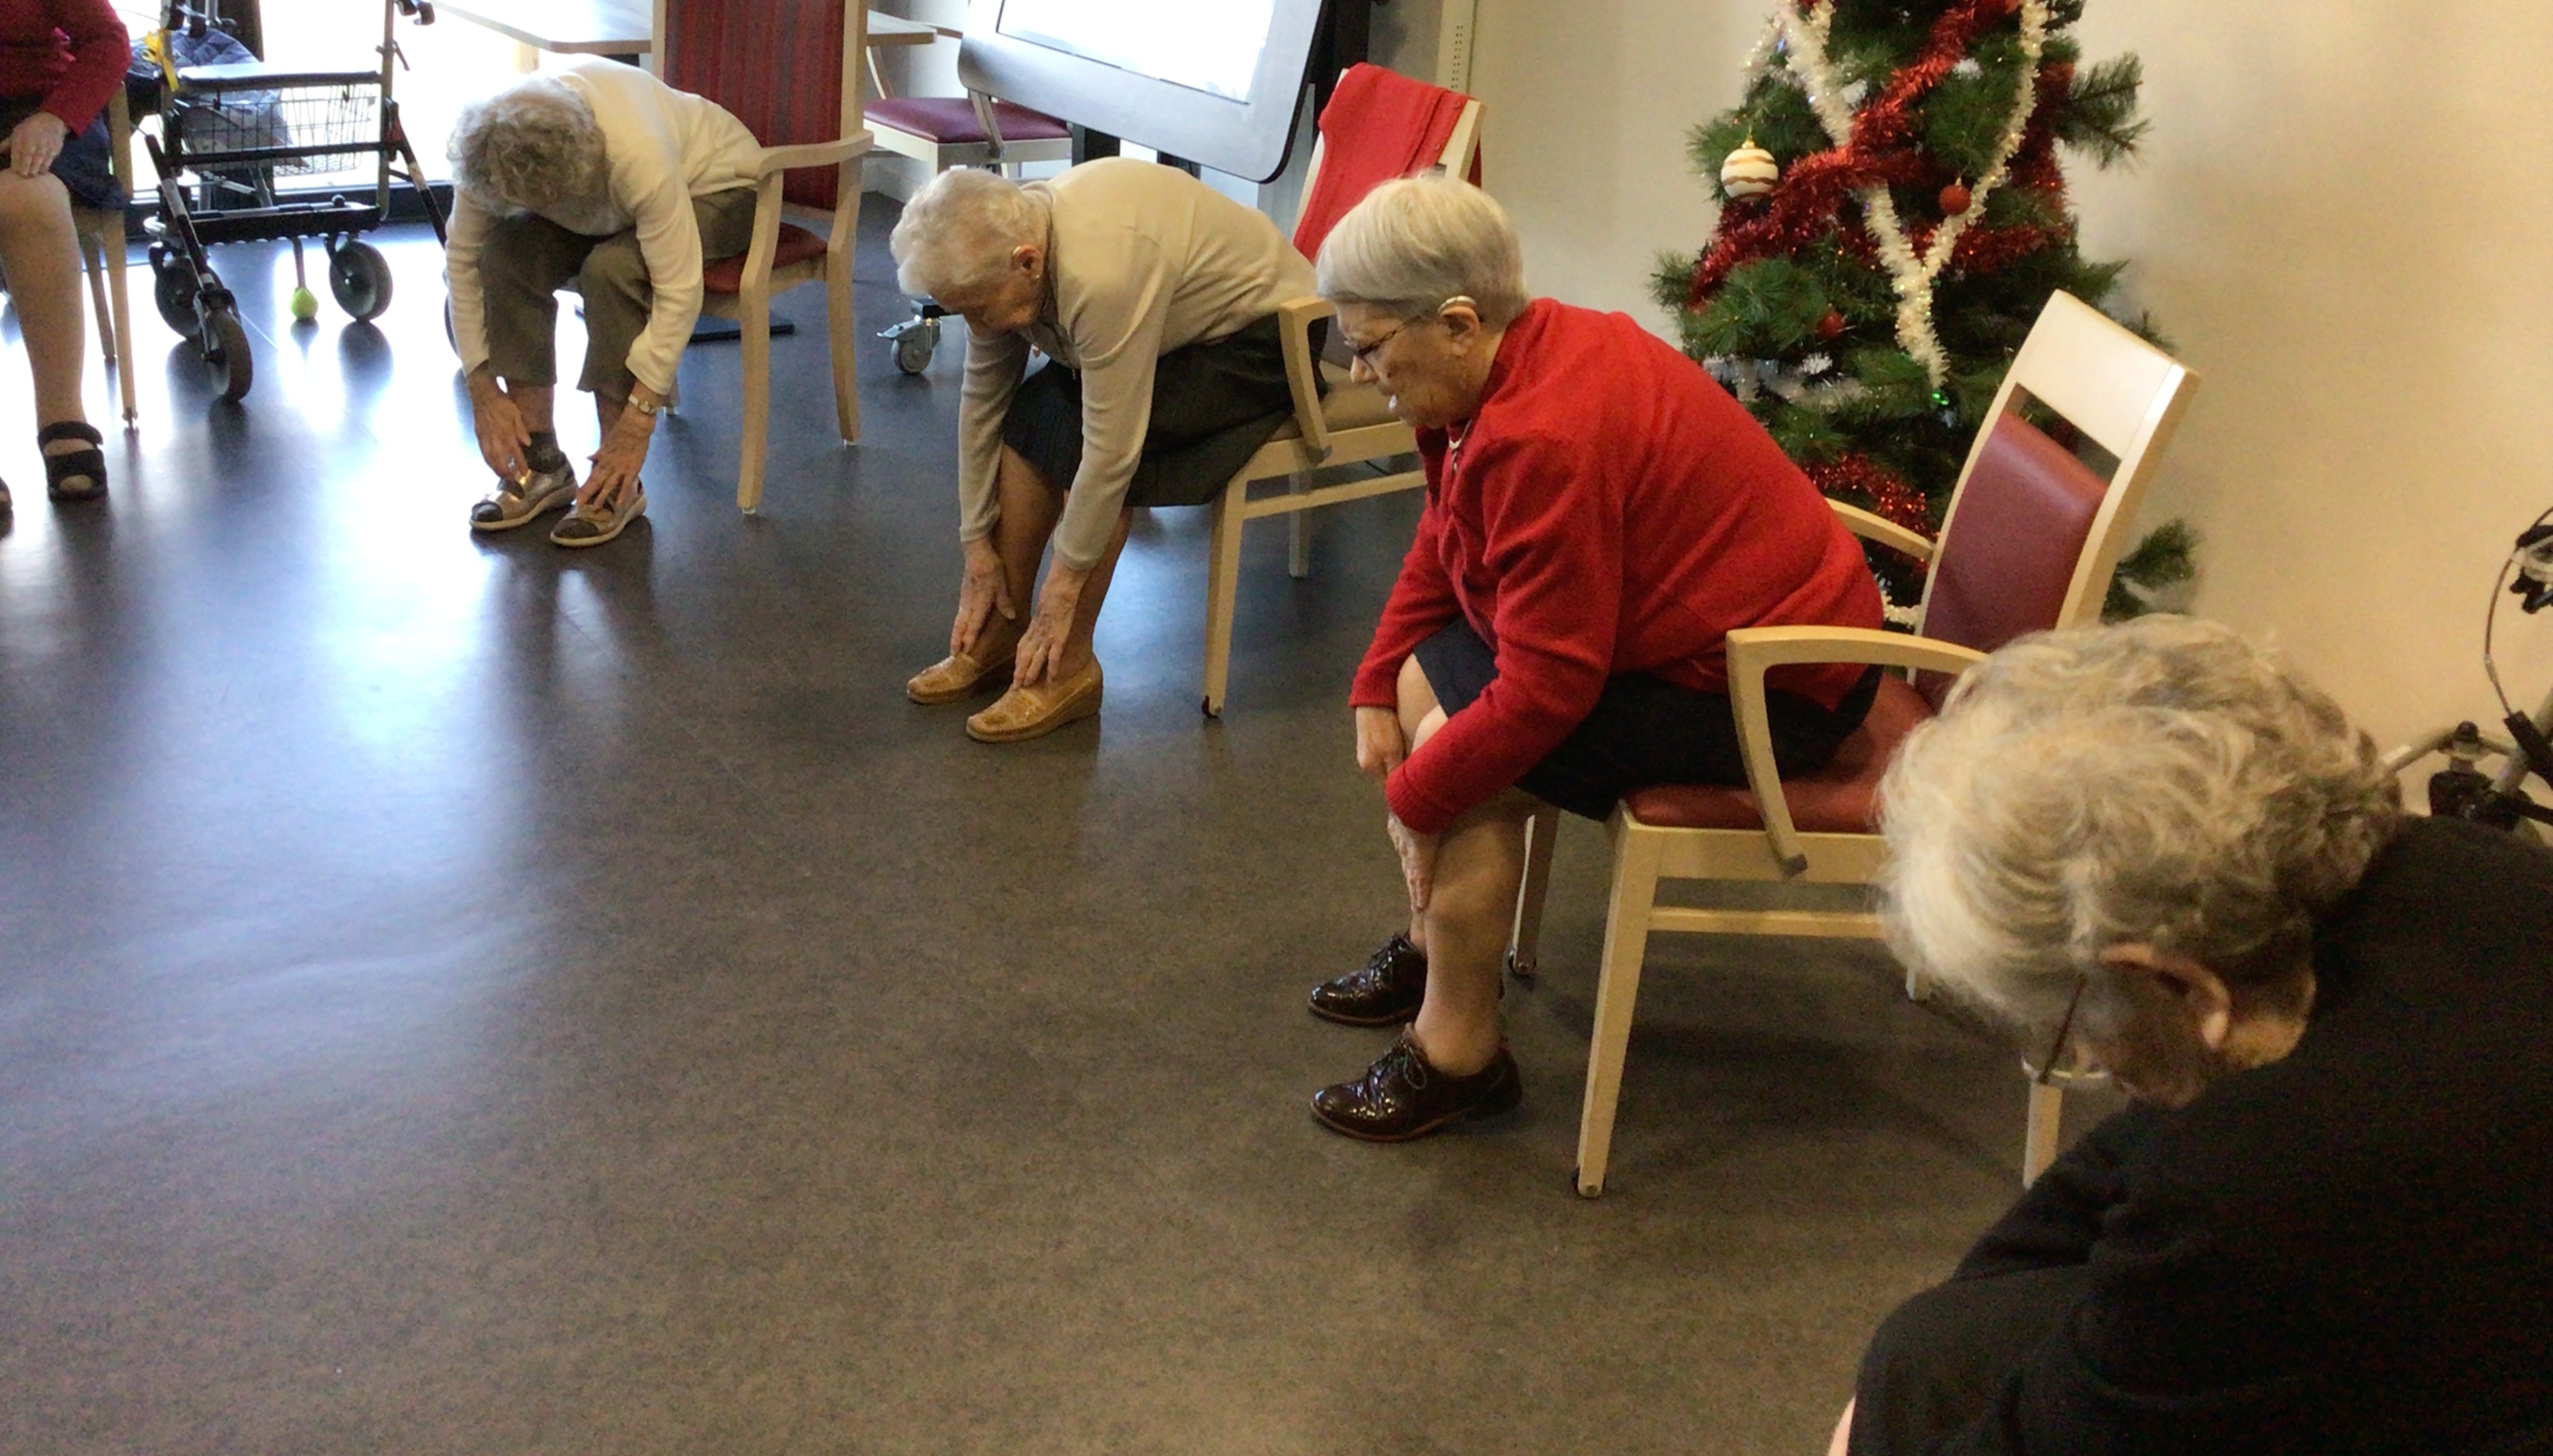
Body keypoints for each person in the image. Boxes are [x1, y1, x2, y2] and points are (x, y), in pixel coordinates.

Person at [1833, 616, 2553, 1456]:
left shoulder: (2265, 1187)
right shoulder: (2445, 866)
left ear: (2176, 984)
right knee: (1932, 1349)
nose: (2088, 1057)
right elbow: (2111, 1170)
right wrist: (1940, 1320)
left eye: (2069, 1023)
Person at [1304, 179, 1885, 1139]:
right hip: (1695, 641)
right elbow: (1450, 533)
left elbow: (1550, 689)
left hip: (1778, 688)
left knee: (1467, 766)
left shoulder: (1542, 437)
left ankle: (1458, 1054)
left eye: (1368, 347)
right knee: (1416, 681)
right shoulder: (1504, 360)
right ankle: (1439, 944)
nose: (1360, 372)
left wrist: (1415, 803)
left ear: (1457, 322)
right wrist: (1373, 677)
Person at [889, 159, 1317, 743]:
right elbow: (984, 404)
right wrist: (975, 544)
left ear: (1028, 263)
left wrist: (1062, 589)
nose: (977, 326)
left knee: (1086, 445)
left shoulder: (1100, 273)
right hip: (1175, 333)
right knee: (1032, 416)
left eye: (979, 308)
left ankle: (1066, 665)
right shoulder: (998, 262)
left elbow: (1111, 451)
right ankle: (1003, 631)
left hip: (1263, 341)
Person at [444, 57, 762, 547]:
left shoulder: (635, 152)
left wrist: (639, 421)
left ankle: (617, 479)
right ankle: (542, 464)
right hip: (607, 205)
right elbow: (463, 263)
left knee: (611, 270)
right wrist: (481, 388)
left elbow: (679, 289)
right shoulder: (488, 152)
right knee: (504, 255)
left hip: (719, 187)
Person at [0, 0, 131, 512]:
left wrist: (55, 118)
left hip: (39, 109)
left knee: (27, 198)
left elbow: (107, 38)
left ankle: (63, 421)